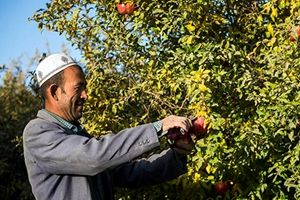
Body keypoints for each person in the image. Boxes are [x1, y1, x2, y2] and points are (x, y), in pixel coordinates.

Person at [23, 53, 197, 200]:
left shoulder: (78, 135)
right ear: (54, 92)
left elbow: (131, 173)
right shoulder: (38, 132)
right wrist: (159, 127)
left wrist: (176, 155)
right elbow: (94, 156)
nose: (85, 95)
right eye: (78, 87)